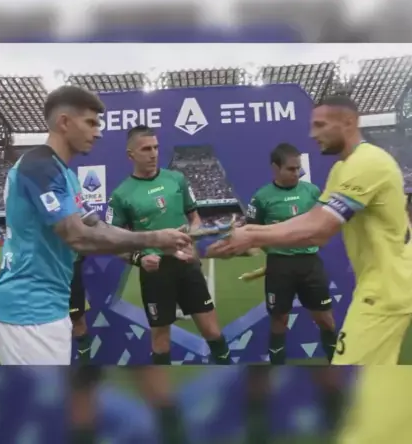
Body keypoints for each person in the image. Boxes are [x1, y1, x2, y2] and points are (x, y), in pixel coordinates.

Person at [0, 86, 191, 365]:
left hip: (48, 306)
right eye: (91, 123)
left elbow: (96, 227)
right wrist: (154, 238)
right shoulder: (39, 166)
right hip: (28, 309)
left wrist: (156, 239)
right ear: (64, 122)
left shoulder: (64, 174)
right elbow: (78, 237)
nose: (98, 133)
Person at [207, 94, 412, 365]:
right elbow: (313, 218)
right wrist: (254, 235)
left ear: (349, 122)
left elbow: (319, 230)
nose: (312, 134)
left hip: (386, 289)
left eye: (320, 125)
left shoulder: (367, 163)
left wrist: (252, 235)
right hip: (380, 283)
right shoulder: (343, 167)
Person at [107, 125, 231, 365]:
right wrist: (140, 259)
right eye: (146, 149)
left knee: (213, 332)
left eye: (155, 147)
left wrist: (191, 240)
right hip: (155, 272)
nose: (153, 154)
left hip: (186, 265)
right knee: (161, 340)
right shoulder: (121, 195)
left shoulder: (176, 179)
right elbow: (114, 242)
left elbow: (194, 218)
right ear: (131, 155)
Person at [246, 143, 337, 365]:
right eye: (291, 169)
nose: (296, 173)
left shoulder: (312, 192)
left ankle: (338, 368)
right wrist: (270, 247)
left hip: (310, 264)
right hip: (279, 266)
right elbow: (251, 232)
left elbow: (323, 224)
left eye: (298, 168)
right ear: (275, 168)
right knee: (279, 320)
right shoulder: (261, 197)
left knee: (326, 319)